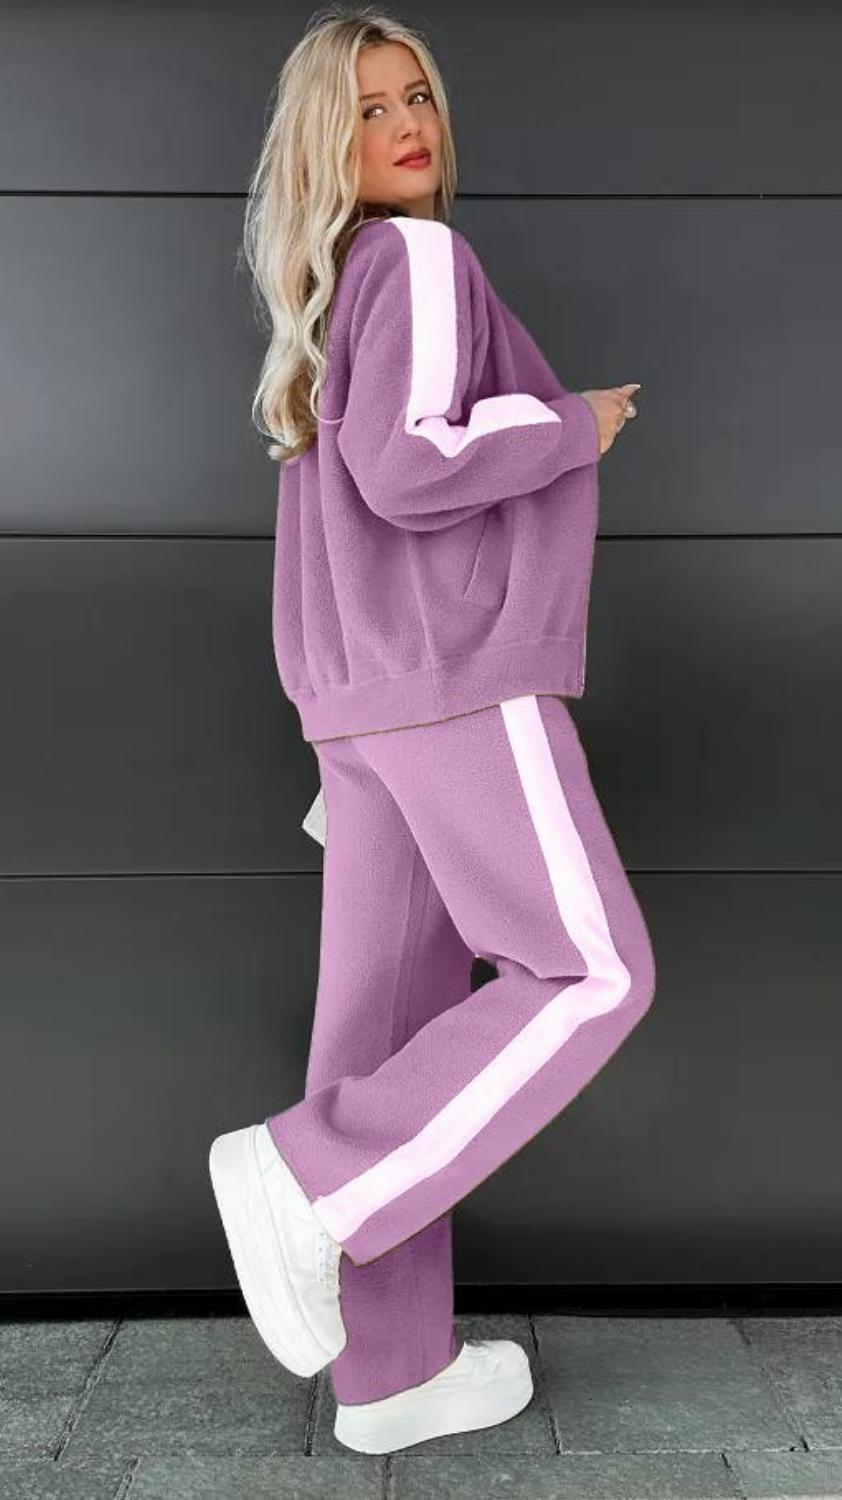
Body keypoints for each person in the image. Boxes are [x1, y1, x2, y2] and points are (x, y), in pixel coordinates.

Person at [208, 6, 656, 1457]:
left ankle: (391, 1375)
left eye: (418, 96)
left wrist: (344, 737)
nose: (408, 125)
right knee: (589, 973)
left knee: (383, 1033)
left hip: (367, 708)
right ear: (320, 139)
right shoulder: (413, 258)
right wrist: (571, 422)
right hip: (455, 678)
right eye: (367, 106)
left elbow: (345, 500)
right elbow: (408, 472)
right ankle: (311, 1179)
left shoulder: (332, 285)